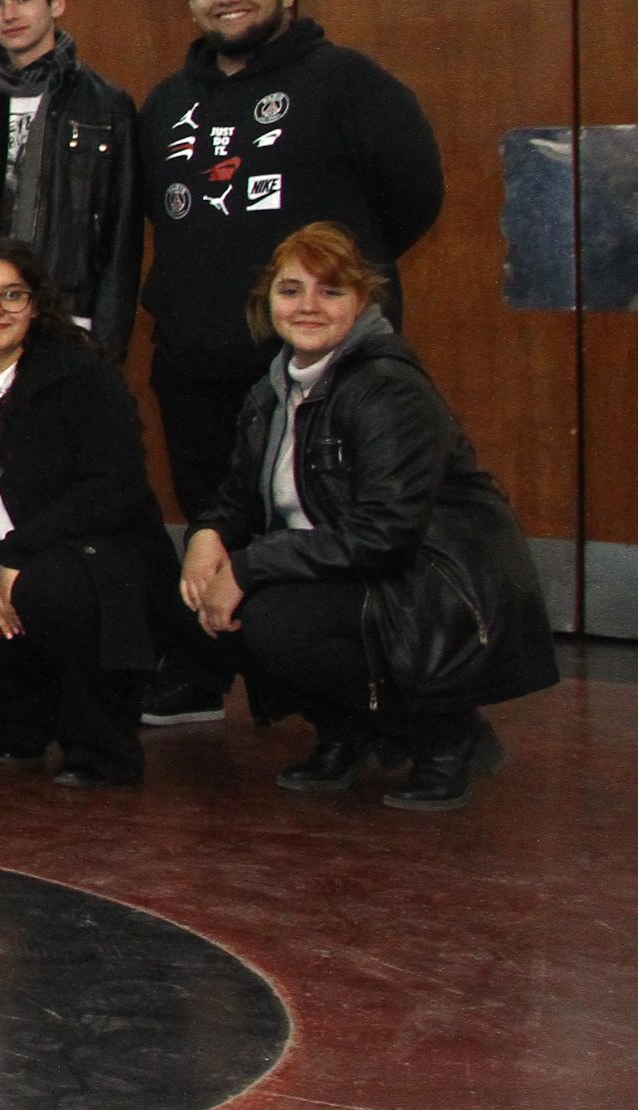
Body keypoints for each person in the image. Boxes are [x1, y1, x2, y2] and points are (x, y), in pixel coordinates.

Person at [137, 0, 443, 724]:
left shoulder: (348, 81)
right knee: (212, 519)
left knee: (327, 521)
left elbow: (414, 195)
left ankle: (349, 700)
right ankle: (206, 672)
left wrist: (330, 288)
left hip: (315, 364)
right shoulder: (167, 102)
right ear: (192, 5)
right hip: (197, 358)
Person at [181, 224, 556, 811]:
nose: (307, 306)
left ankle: (446, 739)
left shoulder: (387, 388)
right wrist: (206, 538)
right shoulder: (272, 390)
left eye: (330, 291)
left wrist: (250, 566)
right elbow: (237, 499)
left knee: (273, 619)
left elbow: (385, 535)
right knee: (205, 599)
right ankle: (346, 731)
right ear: (268, 300)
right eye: (291, 290)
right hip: (353, 570)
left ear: (361, 302)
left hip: (433, 585)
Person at [0, 237, 177, 789]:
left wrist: (20, 553)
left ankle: (101, 746)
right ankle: (30, 712)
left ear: (36, 305)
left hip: (97, 572)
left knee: (53, 588)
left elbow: (114, 487)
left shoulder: (81, 375)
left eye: (12, 295)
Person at [0, 0, 140, 354]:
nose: (9, 14)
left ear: (56, 3)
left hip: (71, 310)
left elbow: (122, 234)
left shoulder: (106, 106)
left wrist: (108, 340)